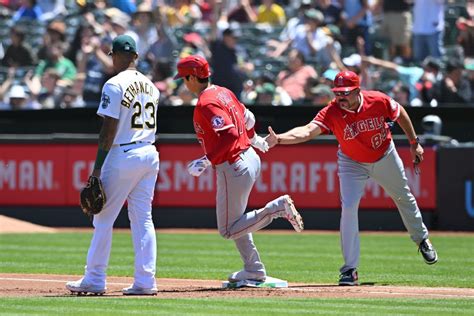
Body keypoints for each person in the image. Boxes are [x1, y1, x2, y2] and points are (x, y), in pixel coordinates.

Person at [265, 70, 438, 286]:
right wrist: (279, 139)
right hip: (351, 161)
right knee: (348, 208)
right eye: (337, 93)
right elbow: (308, 131)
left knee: (403, 196)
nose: (340, 98)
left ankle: (422, 240)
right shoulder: (332, 111)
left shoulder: (377, 100)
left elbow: (399, 112)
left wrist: (414, 143)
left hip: (384, 155)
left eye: (345, 93)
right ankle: (349, 270)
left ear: (357, 90)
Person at [174, 55, 304, 283]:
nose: (183, 84)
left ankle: (277, 208)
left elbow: (231, 135)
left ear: (193, 77)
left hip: (232, 164)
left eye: (184, 79)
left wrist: (206, 160)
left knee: (228, 229)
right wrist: (258, 142)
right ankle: (253, 269)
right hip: (249, 158)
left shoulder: (206, 102)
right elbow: (248, 119)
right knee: (238, 220)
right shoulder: (223, 92)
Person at [66, 35, 160, 295]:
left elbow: (109, 128)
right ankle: (145, 281)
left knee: (103, 219)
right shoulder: (152, 86)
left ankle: (95, 278)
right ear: (136, 57)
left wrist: (97, 167)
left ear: (116, 55)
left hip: (123, 153)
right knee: (143, 220)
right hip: (149, 152)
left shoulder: (114, 84)